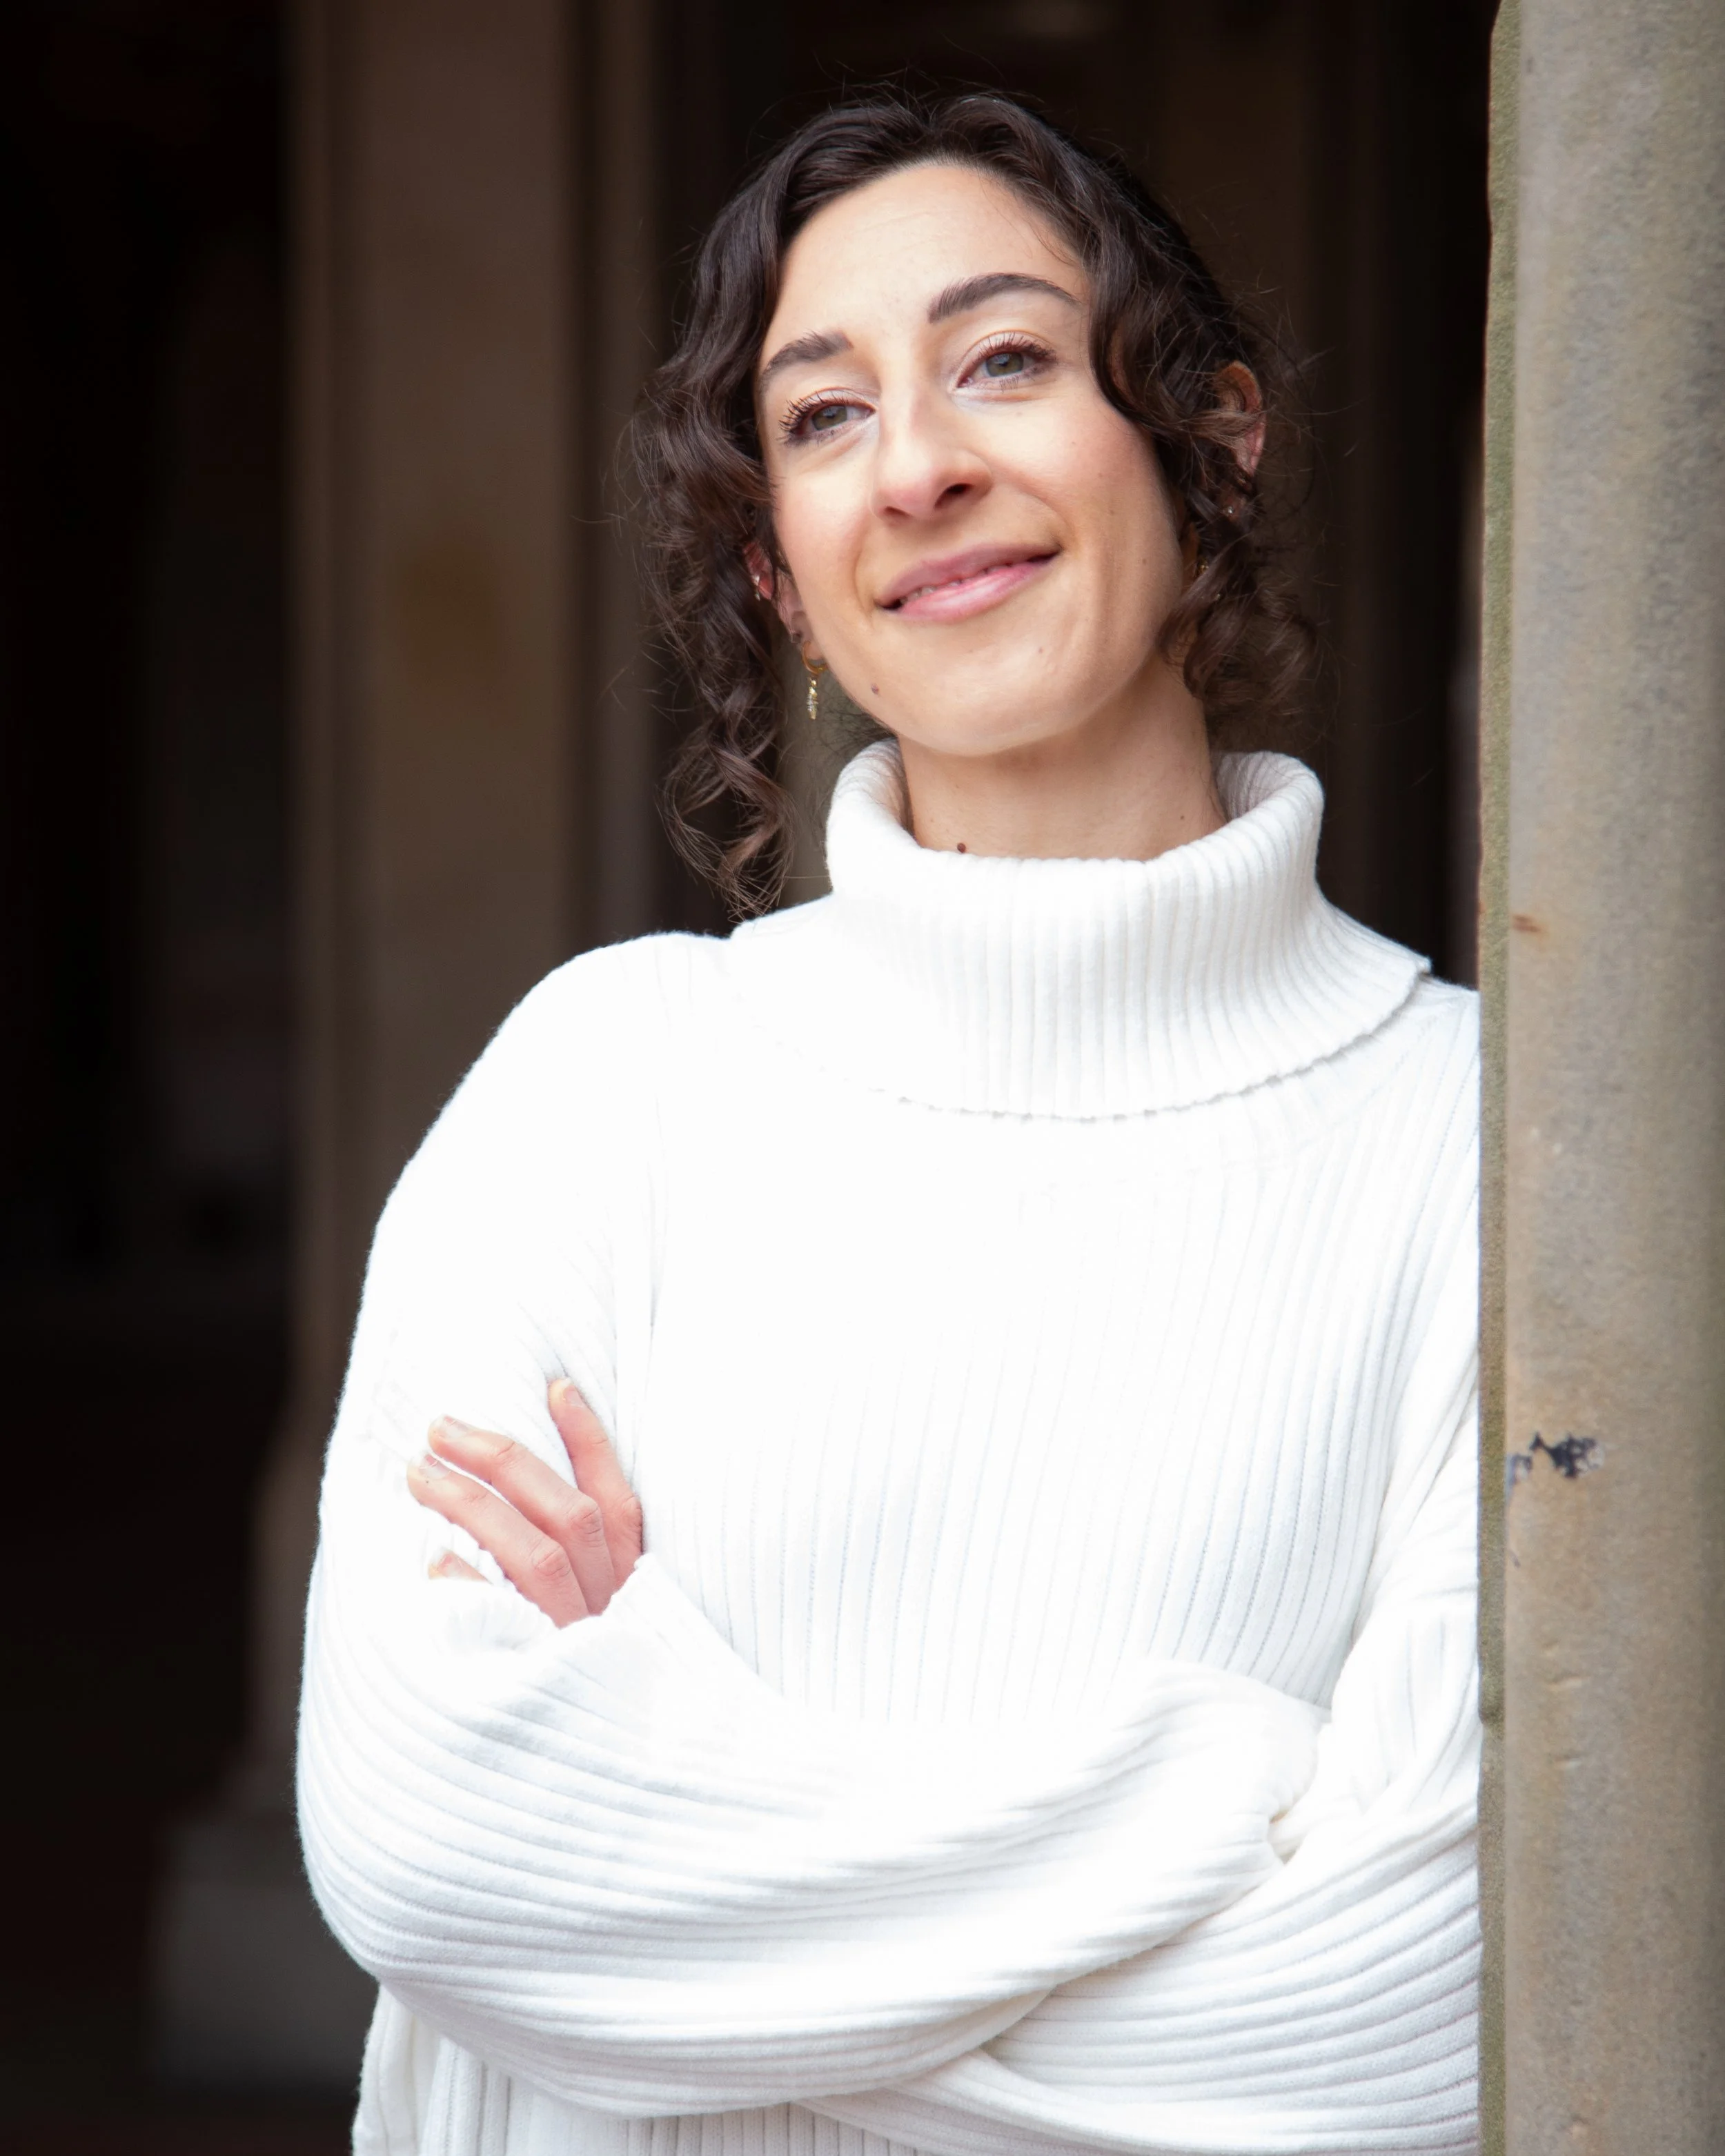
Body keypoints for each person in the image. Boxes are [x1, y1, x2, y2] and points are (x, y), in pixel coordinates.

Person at [298, 92, 1480, 2156]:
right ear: (777, 564)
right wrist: (1235, 1793)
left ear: (1212, 438)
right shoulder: (603, 1084)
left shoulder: (1473, 1142)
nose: (918, 466)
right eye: (825, 414)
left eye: (1003, 359)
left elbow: (1410, 2021)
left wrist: (654, 1777)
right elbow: (437, 1841)